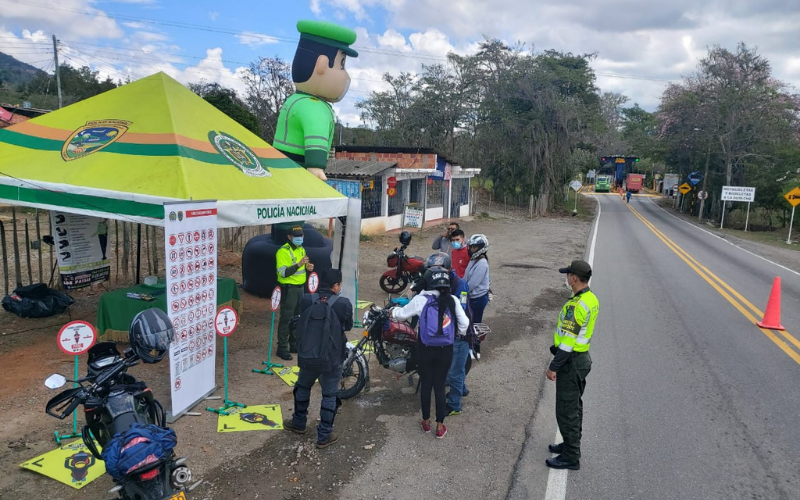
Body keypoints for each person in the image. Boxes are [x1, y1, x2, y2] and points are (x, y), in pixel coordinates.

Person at [273, 20, 358, 181]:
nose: (346, 75)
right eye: (341, 64)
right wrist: (315, 165)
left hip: (280, 167)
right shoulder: (313, 106)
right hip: (298, 169)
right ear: (322, 65)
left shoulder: (295, 100)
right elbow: (315, 135)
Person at [391, 266, 469, 439]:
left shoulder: (421, 299)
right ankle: (440, 426)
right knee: (439, 387)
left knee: (426, 384)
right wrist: (454, 334)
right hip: (446, 349)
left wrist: (393, 311)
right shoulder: (453, 300)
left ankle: (425, 422)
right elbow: (465, 324)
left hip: (425, 348)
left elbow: (401, 315)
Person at [284, 269, 353, 449]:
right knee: (329, 394)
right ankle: (324, 435)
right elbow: (348, 326)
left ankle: (299, 423)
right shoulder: (343, 303)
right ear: (336, 285)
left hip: (308, 355)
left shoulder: (307, 299)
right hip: (332, 358)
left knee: (303, 387)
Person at [545, 259, 599, 471]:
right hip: (580, 360)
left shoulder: (575, 306)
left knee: (567, 411)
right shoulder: (590, 298)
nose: (566, 278)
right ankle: (569, 445)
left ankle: (570, 456)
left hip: (571, 362)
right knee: (574, 407)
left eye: (568, 275)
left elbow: (567, 345)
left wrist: (553, 367)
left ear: (574, 278)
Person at [275, 224, 314, 360]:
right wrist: (298, 264)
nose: (299, 238)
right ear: (289, 237)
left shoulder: (301, 249)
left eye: (301, 236)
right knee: (286, 319)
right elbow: (284, 273)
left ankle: (294, 344)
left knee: (297, 318)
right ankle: (282, 348)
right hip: (289, 289)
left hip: (300, 288)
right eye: (296, 237)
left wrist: (308, 267)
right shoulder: (283, 252)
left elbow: (302, 268)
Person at [464, 234, 490, 324]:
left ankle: (476, 338)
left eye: (474, 247)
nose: (471, 249)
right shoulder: (473, 259)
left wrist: (462, 290)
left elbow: (473, 283)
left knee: (475, 322)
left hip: (478, 298)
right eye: (470, 247)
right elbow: (466, 276)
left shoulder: (482, 263)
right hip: (471, 296)